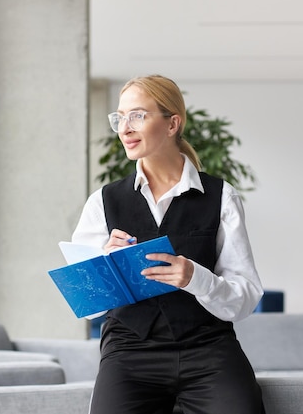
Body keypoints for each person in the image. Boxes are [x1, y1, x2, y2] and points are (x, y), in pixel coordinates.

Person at [72, 75, 265, 414]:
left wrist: (196, 278)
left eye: (138, 116)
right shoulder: (102, 202)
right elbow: (88, 306)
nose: (125, 128)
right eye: (120, 117)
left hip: (208, 349)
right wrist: (107, 264)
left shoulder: (222, 198)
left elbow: (245, 298)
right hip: (129, 352)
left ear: (173, 123)